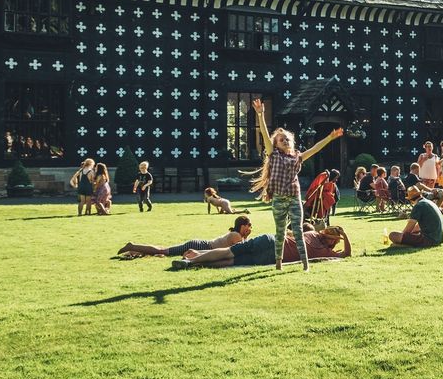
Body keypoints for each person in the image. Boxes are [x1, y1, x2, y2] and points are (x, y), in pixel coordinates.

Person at [247, 97, 343, 272]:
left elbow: (314, 149)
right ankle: (278, 263)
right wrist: (260, 115)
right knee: (281, 232)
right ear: (276, 144)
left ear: (292, 143)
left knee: (298, 231)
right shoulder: (273, 155)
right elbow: (264, 134)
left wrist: (329, 137)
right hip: (278, 199)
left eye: (287, 139)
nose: (285, 141)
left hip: (294, 198)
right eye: (281, 139)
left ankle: (305, 264)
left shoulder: (297, 157)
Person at [176, 225, 352, 268]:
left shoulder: (312, 234)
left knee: (230, 255)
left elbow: (345, 254)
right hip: (271, 252)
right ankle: (194, 262)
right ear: (331, 238)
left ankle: (194, 260)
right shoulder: (323, 248)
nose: (336, 243)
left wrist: (340, 235)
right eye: (335, 240)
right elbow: (346, 254)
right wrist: (344, 236)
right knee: (231, 259)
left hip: (269, 242)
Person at [117, 216, 252, 257]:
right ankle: (132, 246)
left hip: (200, 245)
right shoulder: (235, 235)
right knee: (163, 251)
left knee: (164, 250)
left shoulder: (235, 233)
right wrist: (246, 237)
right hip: (199, 246)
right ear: (243, 225)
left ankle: (136, 250)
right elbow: (241, 250)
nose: (250, 228)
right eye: (249, 226)